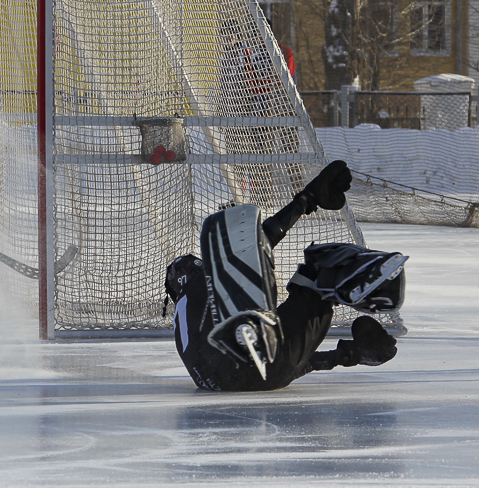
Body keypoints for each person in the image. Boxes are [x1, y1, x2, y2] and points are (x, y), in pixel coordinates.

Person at [165, 160, 405, 392]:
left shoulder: (188, 324)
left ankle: (328, 290)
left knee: (272, 339)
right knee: (315, 278)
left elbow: (280, 367)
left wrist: (348, 355)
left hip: (230, 378)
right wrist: (304, 201)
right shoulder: (199, 282)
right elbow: (257, 242)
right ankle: (354, 279)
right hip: (260, 362)